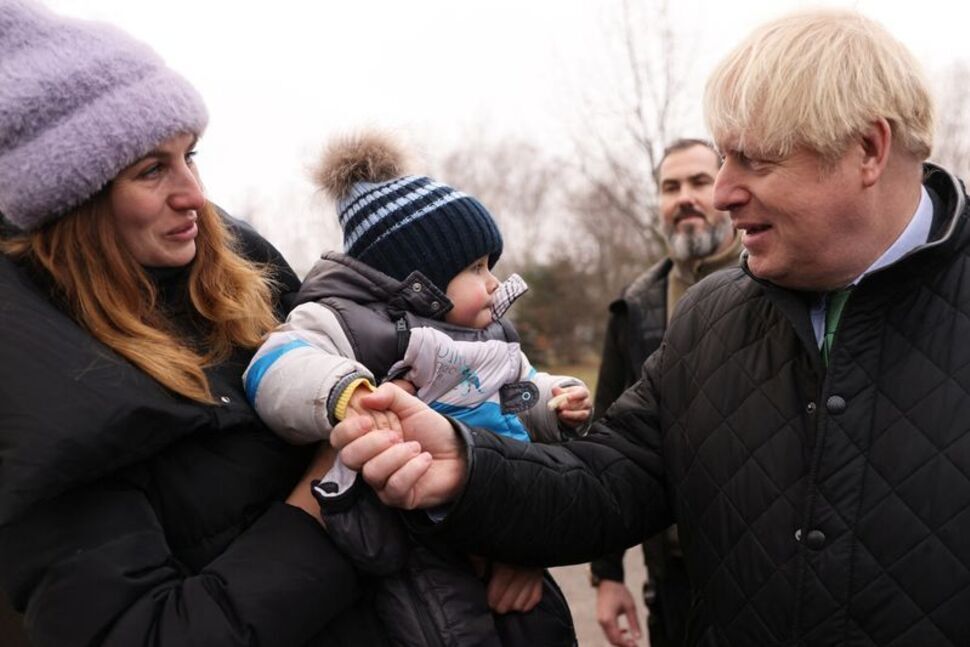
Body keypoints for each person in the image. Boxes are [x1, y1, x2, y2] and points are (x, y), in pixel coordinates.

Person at [330, 9, 970, 647]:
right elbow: (604, 484)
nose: (722, 193)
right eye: (723, 159)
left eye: (755, 161)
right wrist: (470, 468)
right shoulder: (710, 318)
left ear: (868, 149)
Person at [0, 1, 384, 644]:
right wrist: (331, 494)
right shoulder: (34, 383)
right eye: (152, 169)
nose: (193, 195)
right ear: (74, 199)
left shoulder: (244, 279)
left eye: (190, 156)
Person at [243, 132, 590, 646]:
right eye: (475, 269)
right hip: (409, 536)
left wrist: (553, 402)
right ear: (419, 280)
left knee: (535, 624)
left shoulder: (491, 336)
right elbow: (275, 366)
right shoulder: (344, 322)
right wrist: (345, 393)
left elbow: (516, 391)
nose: (493, 283)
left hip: (503, 512)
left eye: (490, 267)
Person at [591, 138, 740, 647]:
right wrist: (608, 573)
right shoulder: (634, 307)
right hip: (672, 576)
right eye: (670, 187)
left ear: (725, 186)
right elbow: (605, 438)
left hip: (766, 565)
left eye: (699, 181)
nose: (685, 198)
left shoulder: (774, 278)